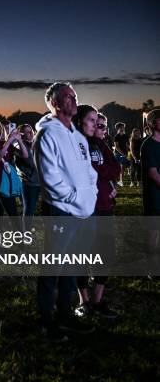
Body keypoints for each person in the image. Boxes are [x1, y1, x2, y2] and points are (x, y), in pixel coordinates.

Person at [34, 82, 97, 341]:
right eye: (68, 97)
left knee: (71, 266)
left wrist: (88, 196)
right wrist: (74, 199)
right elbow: (50, 177)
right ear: (54, 103)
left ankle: (65, 315)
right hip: (60, 211)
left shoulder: (76, 136)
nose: (74, 100)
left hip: (79, 210)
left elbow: (87, 171)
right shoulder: (47, 134)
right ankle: (46, 321)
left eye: (75, 96)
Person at [72, 105, 119, 319]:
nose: (99, 128)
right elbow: (83, 171)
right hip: (84, 208)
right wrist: (102, 176)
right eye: (94, 123)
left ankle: (98, 300)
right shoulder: (76, 143)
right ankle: (84, 301)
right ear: (81, 121)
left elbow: (116, 168)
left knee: (106, 253)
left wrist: (103, 178)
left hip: (104, 206)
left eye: (101, 125)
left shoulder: (100, 144)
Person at [14, 124, 40, 224]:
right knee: (29, 211)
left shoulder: (36, 144)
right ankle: (26, 236)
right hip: (29, 183)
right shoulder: (19, 146)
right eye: (28, 132)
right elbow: (30, 161)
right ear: (22, 134)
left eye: (32, 130)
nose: (31, 133)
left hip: (40, 181)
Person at [141, 109, 160, 216]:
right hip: (155, 198)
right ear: (151, 124)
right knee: (155, 231)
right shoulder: (148, 146)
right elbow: (153, 174)